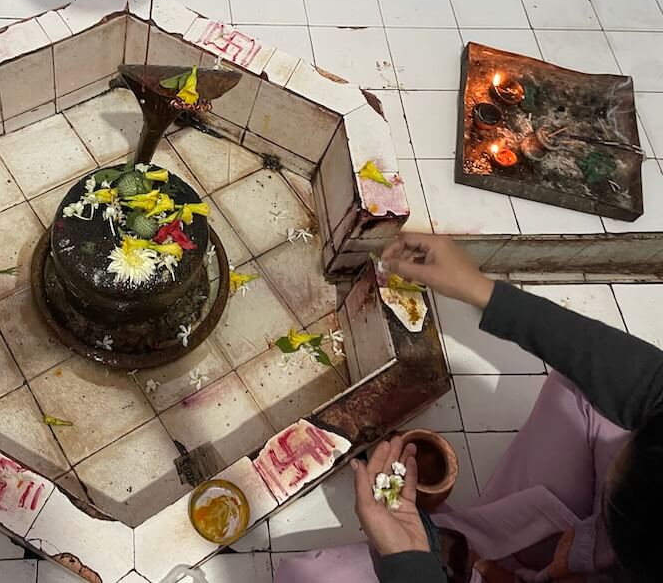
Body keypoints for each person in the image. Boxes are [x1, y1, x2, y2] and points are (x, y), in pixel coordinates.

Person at [277, 233, 663, 583]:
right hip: (591, 541)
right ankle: (491, 542)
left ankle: (462, 552)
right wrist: (479, 289)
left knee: (306, 575)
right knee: (592, 388)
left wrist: (407, 560)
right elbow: (649, 384)